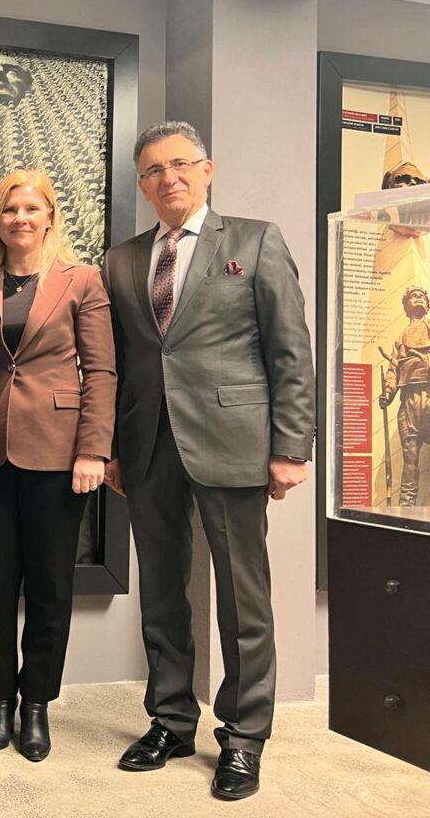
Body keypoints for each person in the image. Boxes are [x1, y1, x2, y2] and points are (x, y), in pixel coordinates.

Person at [102, 121, 314, 801]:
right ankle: (169, 720)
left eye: (180, 164)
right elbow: (117, 363)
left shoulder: (255, 241)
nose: (168, 178)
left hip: (235, 443)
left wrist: (291, 447)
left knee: (243, 598)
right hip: (148, 446)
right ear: (142, 184)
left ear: (207, 169)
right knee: (163, 592)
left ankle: (244, 737)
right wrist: (112, 448)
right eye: (153, 170)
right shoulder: (121, 260)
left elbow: (290, 351)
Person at [0, 170, 115, 762]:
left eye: (31, 208)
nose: (19, 218)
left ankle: (36, 703)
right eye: (9, 209)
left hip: (59, 452)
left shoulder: (81, 280)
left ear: (49, 216)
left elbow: (102, 371)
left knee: (49, 583)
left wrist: (93, 449)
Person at [379, 285, 430, 507]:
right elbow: (393, 370)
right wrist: (388, 392)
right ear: (406, 305)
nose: (417, 299)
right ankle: (406, 507)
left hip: (428, 395)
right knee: (410, 458)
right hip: (408, 402)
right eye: (413, 296)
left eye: (421, 296)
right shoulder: (400, 338)